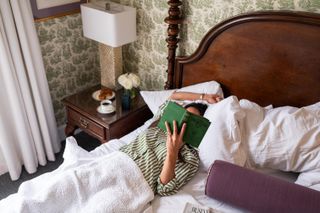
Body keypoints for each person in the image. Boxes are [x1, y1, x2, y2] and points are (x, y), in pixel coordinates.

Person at [119, 91, 222, 196]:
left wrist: (172, 152)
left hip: (135, 182)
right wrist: (204, 97)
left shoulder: (190, 158)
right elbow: (174, 96)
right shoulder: (162, 122)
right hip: (118, 160)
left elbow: (164, 188)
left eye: (190, 123)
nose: (183, 125)